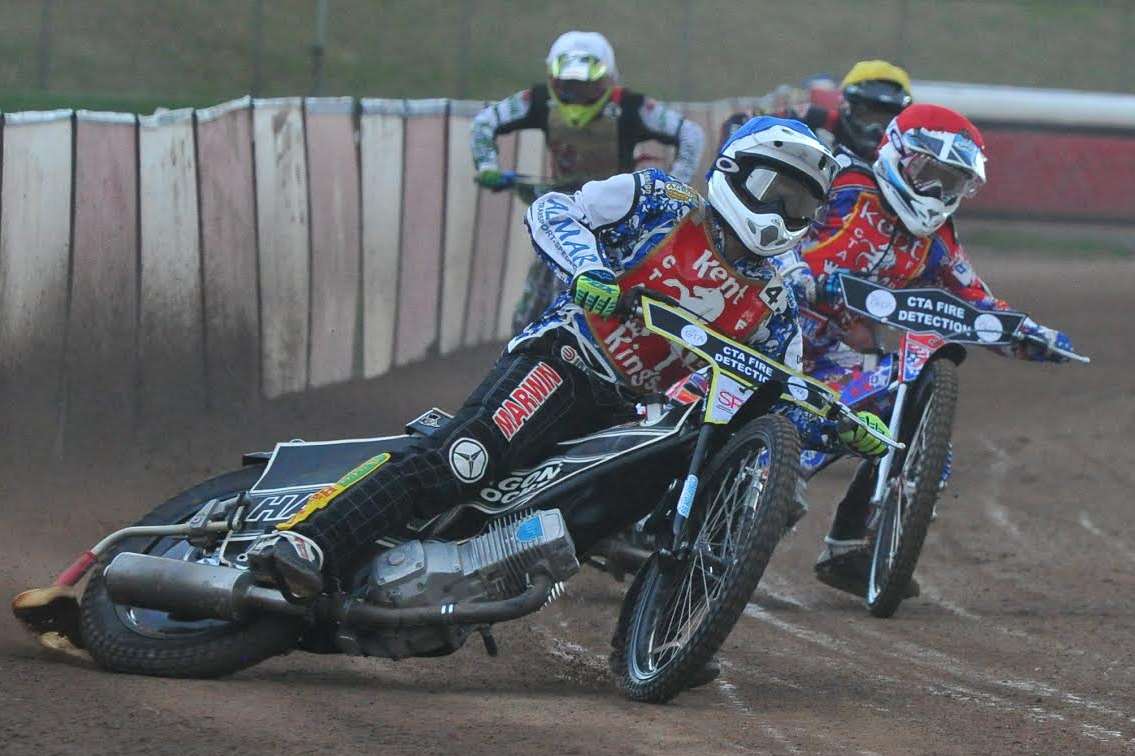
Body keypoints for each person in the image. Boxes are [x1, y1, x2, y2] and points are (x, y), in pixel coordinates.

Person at [246, 117, 890, 611]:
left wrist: (842, 426)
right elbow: (557, 209)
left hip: (631, 413)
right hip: (568, 358)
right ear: (733, 172)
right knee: (462, 458)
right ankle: (312, 541)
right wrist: (588, 269)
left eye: (801, 207)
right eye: (773, 193)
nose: (782, 216)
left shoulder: (778, 294)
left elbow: (783, 388)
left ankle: (670, 630)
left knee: (596, 525)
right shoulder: (661, 199)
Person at [772, 103, 1076, 596]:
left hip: (838, 356)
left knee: (914, 424)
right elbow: (769, 204)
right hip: (766, 324)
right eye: (928, 175)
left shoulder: (937, 240)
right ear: (896, 155)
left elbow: (975, 300)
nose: (936, 193)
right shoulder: (845, 182)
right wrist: (792, 270)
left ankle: (852, 546)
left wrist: (1032, 335)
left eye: (951, 183)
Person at [470, 30, 706, 330]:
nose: (577, 96)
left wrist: (673, 187)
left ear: (607, 79)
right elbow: (484, 122)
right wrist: (488, 165)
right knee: (539, 285)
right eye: (567, 87)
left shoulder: (631, 106)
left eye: (587, 86)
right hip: (562, 204)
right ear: (553, 80)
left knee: (609, 282)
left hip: (618, 214)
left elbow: (691, 135)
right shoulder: (540, 100)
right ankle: (521, 343)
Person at [720, 59, 913, 163]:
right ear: (845, 105)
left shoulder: (910, 152)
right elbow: (739, 123)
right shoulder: (813, 119)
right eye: (868, 115)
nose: (876, 128)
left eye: (886, 118)